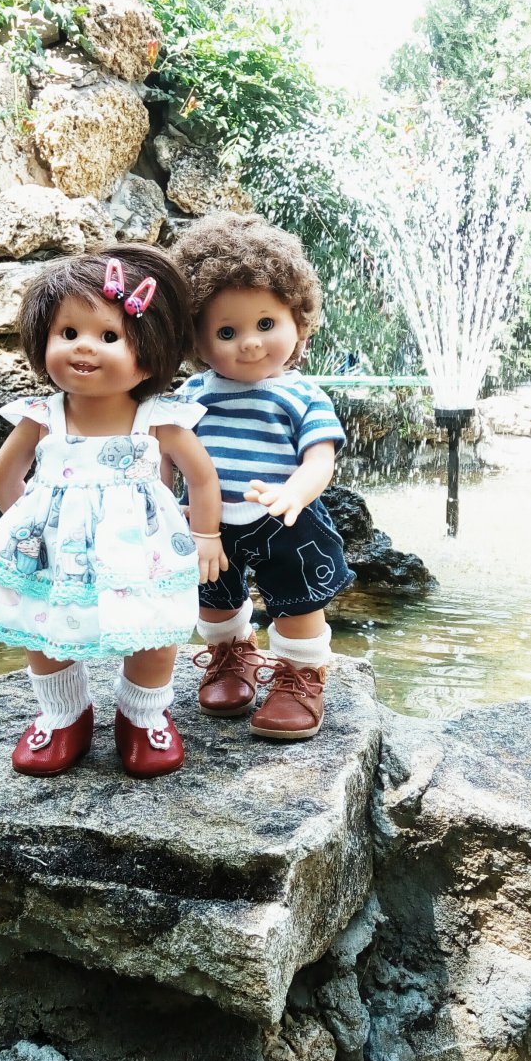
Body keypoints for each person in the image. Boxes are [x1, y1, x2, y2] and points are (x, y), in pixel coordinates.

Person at [0, 246, 225, 779]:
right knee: (44, 630)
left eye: (109, 336)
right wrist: (30, 527)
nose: (84, 347)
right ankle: (64, 715)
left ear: (149, 352)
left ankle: (143, 715)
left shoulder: (157, 418)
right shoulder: (43, 416)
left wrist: (206, 535)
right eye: (68, 333)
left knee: (153, 634)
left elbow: (201, 478)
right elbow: (1, 478)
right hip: (54, 550)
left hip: (144, 552)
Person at [172, 213, 354, 742]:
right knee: (215, 597)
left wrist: (295, 493)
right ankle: (232, 655)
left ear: (299, 320)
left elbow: (320, 459)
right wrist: (160, 499)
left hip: (287, 521)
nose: (249, 344)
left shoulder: (301, 394)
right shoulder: (191, 396)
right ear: (196, 339)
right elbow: (164, 450)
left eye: (266, 324)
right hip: (208, 523)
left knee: (298, 601)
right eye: (226, 332)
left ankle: (300, 675)